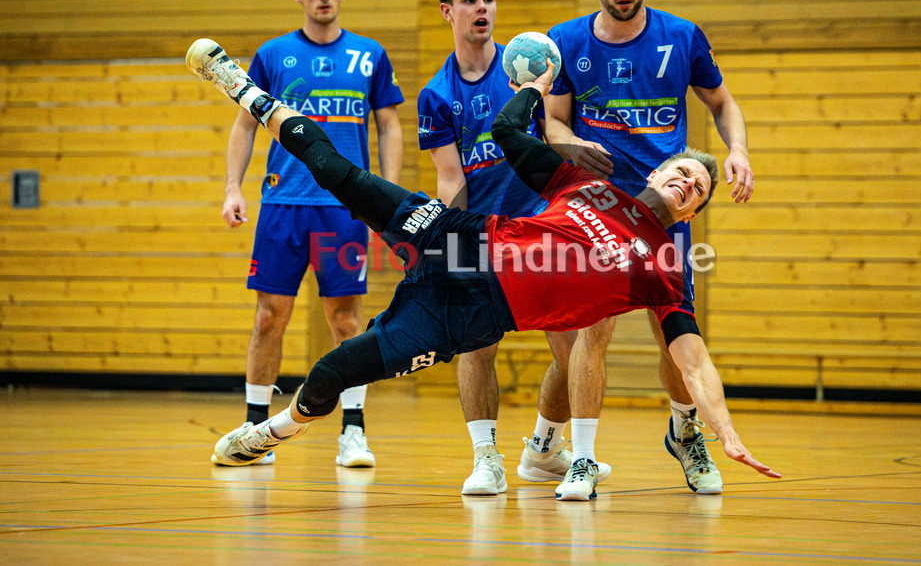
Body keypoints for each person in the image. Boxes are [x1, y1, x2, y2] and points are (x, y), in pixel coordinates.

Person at [187, 36, 780, 501]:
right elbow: (503, 131)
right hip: (459, 237)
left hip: (470, 312)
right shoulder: (587, 184)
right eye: (681, 170)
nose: (685, 181)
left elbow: (692, 358)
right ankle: (247, 91)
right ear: (656, 174)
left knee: (335, 370)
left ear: (693, 209)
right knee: (340, 174)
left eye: (697, 187)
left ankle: (282, 426)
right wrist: (535, 89)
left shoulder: (663, 269)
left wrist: (724, 426)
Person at [543, 0, 755, 495]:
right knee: (594, 333)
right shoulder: (565, 43)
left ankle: (686, 435)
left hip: (668, 214)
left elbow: (722, 103)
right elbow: (554, 122)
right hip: (599, 212)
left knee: (673, 337)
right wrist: (569, 147)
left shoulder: (681, 37)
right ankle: (583, 459)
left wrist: (737, 150)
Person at [418, 0, 610, 495]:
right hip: (480, 230)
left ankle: (545, 450)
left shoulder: (528, 62)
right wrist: (448, 242)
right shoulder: (437, 93)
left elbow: (549, 126)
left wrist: (572, 148)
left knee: (573, 349)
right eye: (469, 0)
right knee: (477, 346)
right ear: (447, 11)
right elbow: (450, 176)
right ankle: (485, 460)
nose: (481, 8)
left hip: (541, 225)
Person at [217, 0, 404, 469]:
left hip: (343, 210)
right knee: (268, 319)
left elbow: (388, 126)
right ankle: (256, 429)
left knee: (345, 319)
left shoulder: (369, 56)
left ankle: (353, 433)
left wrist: (386, 196)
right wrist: (233, 187)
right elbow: (245, 124)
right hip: (282, 204)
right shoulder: (272, 55)